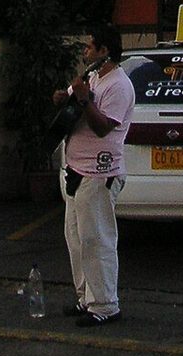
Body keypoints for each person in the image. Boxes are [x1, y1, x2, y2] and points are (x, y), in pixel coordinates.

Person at [51, 23, 135, 327]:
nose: (85, 52)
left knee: (97, 239)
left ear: (104, 51)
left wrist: (85, 99)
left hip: (100, 173)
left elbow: (102, 127)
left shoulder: (119, 86)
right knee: (77, 238)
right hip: (76, 169)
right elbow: (70, 99)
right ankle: (86, 297)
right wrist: (64, 97)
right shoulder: (92, 76)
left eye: (90, 47)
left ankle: (105, 304)